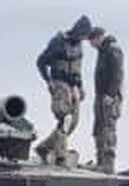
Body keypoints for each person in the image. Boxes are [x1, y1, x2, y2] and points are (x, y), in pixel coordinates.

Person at [33, 15, 92, 166]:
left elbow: (77, 68)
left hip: (72, 86)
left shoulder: (78, 45)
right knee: (64, 118)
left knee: (73, 122)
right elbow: (41, 61)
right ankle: (61, 157)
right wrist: (48, 81)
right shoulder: (58, 43)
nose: (85, 39)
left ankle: (44, 147)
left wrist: (80, 86)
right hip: (59, 83)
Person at [87, 26, 124, 173]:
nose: (91, 44)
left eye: (92, 41)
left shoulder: (112, 50)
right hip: (100, 95)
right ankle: (100, 162)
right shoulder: (102, 51)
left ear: (99, 37)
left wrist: (110, 94)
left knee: (108, 129)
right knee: (98, 129)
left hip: (109, 97)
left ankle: (108, 164)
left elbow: (117, 74)